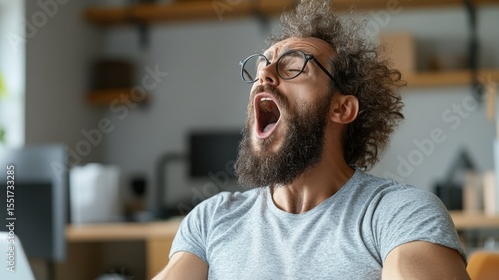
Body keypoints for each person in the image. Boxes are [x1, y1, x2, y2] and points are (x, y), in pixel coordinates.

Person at [154, 1, 469, 279]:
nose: (264, 75)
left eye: (293, 66)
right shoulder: (211, 219)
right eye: (262, 66)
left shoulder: (398, 214)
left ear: (341, 108)